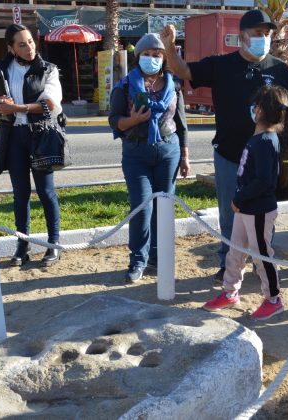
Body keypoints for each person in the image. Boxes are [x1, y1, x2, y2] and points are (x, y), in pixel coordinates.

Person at [160, 9, 288, 284]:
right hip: (229, 154)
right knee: (230, 214)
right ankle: (229, 263)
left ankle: (264, 261)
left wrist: (286, 136)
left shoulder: (278, 68)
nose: (263, 38)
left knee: (263, 215)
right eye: (257, 33)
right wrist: (169, 47)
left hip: (265, 158)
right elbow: (183, 70)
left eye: (267, 34)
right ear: (242, 37)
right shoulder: (221, 64)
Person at [0, 24, 63, 267]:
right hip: (13, 137)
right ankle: (22, 245)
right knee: (20, 193)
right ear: (11, 48)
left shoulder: (48, 69)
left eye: (31, 42)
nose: (29, 48)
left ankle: (53, 244)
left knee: (46, 191)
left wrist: (17, 108)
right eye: (22, 44)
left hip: (40, 135)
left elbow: (52, 104)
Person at [202, 85, 288, 321]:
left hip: (258, 209)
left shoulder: (266, 141)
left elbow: (264, 180)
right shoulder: (259, 138)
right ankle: (230, 291)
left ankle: (273, 299)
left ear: (259, 110)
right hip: (246, 207)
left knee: (262, 254)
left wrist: (239, 198)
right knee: (236, 250)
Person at [109, 33, 190, 282]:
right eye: (147, 54)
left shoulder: (173, 85)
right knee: (142, 208)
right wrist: (133, 120)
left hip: (169, 151)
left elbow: (182, 124)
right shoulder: (124, 86)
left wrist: (185, 156)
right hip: (136, 154)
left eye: (157, 55)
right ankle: (138, 260)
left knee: (164, 208)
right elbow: (114, 121)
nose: (152, 59)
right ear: (138, 57)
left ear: (164, 58)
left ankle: (160, 257)